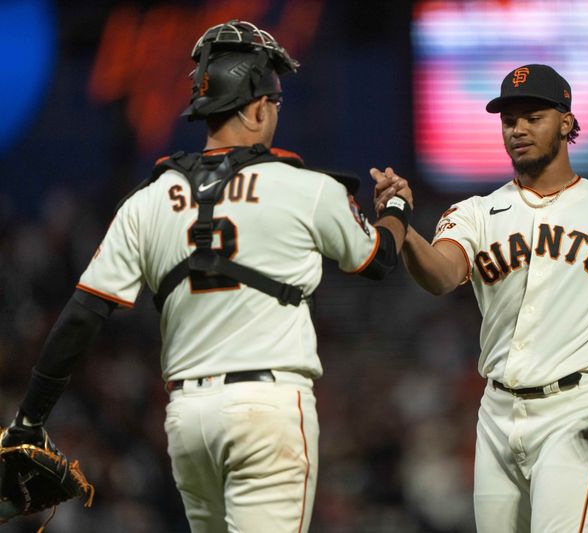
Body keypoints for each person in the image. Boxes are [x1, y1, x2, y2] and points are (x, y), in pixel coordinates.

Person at [2, 20, 413, 533]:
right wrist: (395, 206)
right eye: (276, 102)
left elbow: (82, 316)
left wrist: (29, 419)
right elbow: (378, 261)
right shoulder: (306, 187)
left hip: (189, 419)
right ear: (259, 104)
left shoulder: (148, 200)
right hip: (268, 407)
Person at [372, 64, 588, 532]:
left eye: (533, 115)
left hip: (577, 408)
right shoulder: (474, 212)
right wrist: (404, 226)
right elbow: (441, 276)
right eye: (509, 119)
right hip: (496, 412)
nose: (519, 129)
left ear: (567, 122)